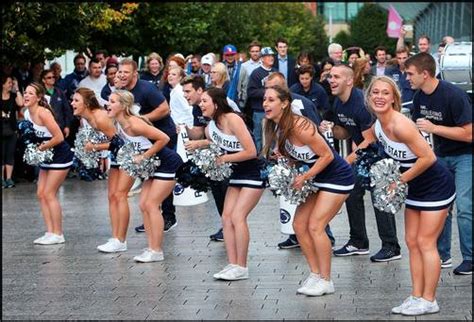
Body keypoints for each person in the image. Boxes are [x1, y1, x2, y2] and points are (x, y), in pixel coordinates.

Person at [364, 75, 455, 315]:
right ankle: (416, 296)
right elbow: (365, 143)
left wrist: (397, 181)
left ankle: (430, 299)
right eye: (375, 92)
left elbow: (429, 158)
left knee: (425, 242)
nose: (380, 97)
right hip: (414, 186)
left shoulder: (400, 124)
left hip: (436, 185)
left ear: (394, 98)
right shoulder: (377, 125)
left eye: (385, 93)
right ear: (369, 96)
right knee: (411, 242)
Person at [262, 85, 354, 296]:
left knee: (315, 226)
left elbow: (327, 156)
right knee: (298, 224)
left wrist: (304, 176)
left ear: (284, 103)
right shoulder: (278, 127)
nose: (265, 104)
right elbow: (303, 155)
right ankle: (315, 273)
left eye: (271, 100)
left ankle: (326, 279)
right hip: (317, 177)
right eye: (265, 100)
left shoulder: (300, 125)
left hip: (336, 177)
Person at [320, 64, 402, 262]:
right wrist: (331, 128)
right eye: (330, 76)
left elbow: (370, 139)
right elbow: (347, 132)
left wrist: (347, 160)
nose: (331, 80)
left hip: (382, 155)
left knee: (379, 198)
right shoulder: (339, 103)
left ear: (349, 81)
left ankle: (391, 247)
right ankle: (358, 242)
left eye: (336, 77)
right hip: (366, 155)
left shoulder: (360, 104)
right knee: (352, 190)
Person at [405, 53, 472, 275]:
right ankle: (441, 255)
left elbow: (469, 134)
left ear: (425, 74)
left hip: (465, 156)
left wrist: (434, 128)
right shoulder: (418, 97)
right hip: (440, 155)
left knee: (464, 207)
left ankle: (470, 258)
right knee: (439, 205)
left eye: (410, 74)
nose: (407, 78)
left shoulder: (454, 95)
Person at [107, 90, 183, 262]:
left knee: (151, 204)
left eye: (112, 102)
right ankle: (151, 248)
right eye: (109, 101)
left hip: (166, 162)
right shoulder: (119, 124)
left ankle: (156, 251)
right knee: (143, 204)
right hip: (153, 165)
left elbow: (163, 138)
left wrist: (144, 156)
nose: (108, 105)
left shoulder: (134, 124)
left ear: (123, 106)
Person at [201, 87, 265, 281]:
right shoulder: (210, 127)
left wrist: (223, 159)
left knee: (238, 216)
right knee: (226, 217)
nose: (200, 105)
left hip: (252, 173)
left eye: (204, 101)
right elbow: (217, 147)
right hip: (235, 174)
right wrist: (202, 145)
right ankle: (233, 263)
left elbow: (251, 151)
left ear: (216, 103)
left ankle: (242, 266)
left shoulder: (233, 119)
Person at [117, 58, 179, 234]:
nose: (122, 75)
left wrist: (144, 120)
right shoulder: (121, 91)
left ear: (134, 74)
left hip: (163, 135)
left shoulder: (146, 88)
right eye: (120, 71)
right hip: (143, 139)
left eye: (126, 72)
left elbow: (164, 109)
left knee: (163, 177)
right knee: (148, 175)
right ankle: (152, 215)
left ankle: (168, 216)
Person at [70, 88, 120, 251]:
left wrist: (95, 147)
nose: (72, 103)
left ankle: (120, 240)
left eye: (76, 100)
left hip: (127, 153)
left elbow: (120, 141)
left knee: (118, 197)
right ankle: (115, 238)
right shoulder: (87, 119)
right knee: (112, 196)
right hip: (118, 155)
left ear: (86, 103)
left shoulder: (100, 118)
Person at [24, 82, 74, 245]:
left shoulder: (43, 113)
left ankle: (58, 234)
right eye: (25, 92)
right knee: (41, 193)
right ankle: (49, 231)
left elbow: (59, 137)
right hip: (46, 154)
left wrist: (42, 147)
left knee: (49, 193)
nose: (26, 95)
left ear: (39, 97)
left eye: (31, 93)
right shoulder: (26, 113)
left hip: (59, 155)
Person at [181, 75, 228, 242]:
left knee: (226, 192)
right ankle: (225, 226)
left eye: (188, 91)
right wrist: (184, 126)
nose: (185, 95)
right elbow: (198, 132)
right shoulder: (196, 107)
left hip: (230, 158)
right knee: (217, 190)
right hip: (215, 159)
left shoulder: (219, 103)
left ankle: (230, 227)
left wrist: (200, 143)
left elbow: (227, 138)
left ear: (200, 91)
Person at [247, 47, 277, 152]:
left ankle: (272, 158)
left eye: (272, 55)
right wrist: (267, 92)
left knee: (273, 136)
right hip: (260, 110)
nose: (271, 58)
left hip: (274, 111)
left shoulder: (275, 72)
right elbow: (250, 92)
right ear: (262, 58)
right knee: (258, 136)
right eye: (268, 56)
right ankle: (258, 158)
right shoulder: (256, 73)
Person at [2, 74, 24, 188]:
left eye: (12, 82)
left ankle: (9, 178)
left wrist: (17, 89)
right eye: (9, 83)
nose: (11, 85)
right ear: (3, 84)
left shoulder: (13, 96)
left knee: (10, 155)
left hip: (11, 129)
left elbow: (21, 103)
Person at [40, 69, 73, 140]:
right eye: (49, 77)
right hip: (45, 129)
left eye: (53, 77)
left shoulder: (60, 92)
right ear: (43, 80)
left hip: (60, 127)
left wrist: (67, 126)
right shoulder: (40, 94)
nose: (52, 79)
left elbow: (67, 110)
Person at [385, 47, 415, 113]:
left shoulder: (414, 71)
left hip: (410, 109)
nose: (402, 61)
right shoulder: (390, 71)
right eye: (399, 58)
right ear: (396, 58)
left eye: (404, 58)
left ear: (409, 57)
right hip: (394, 109)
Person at [237, 40, 261, 112]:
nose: (255, 53)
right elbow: (239, 84)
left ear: (260, 52)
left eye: (257, 51)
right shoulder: (244, 66)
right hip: (247, 100)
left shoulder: (263, 65)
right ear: (250, 52)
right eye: (253, 51)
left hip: (260, 99)